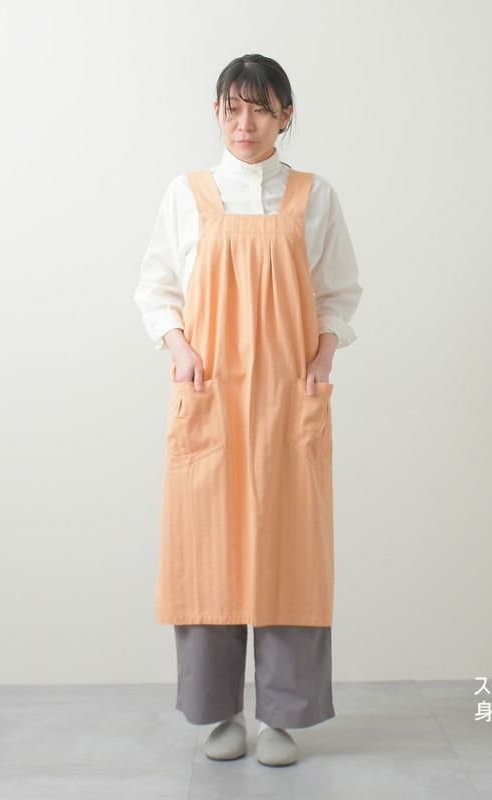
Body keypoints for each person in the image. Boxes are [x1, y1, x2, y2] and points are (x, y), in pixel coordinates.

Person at [133, 54, 363, 766]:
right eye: (233, 108)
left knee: (288, 550)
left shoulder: (313, 196)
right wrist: (178, 348)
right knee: (209, 549)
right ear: (216, 113)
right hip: (211, 396)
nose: (245, 123)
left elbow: (338, 292)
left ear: (285, 117)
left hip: (289, 398)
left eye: (261, 109)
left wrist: (323, 358)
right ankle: (219, 714)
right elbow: (157, 287)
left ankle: (283, 720)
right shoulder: (187, 195)